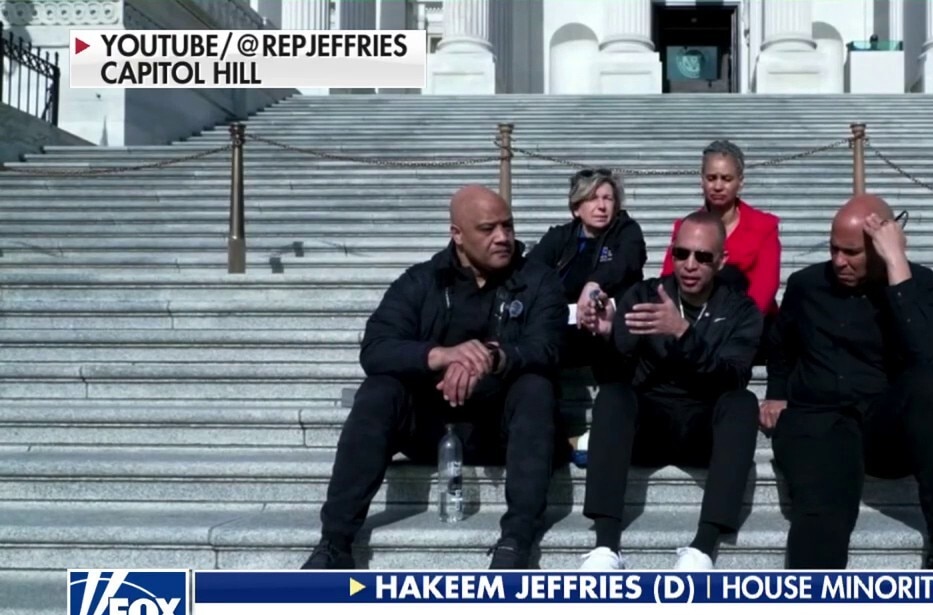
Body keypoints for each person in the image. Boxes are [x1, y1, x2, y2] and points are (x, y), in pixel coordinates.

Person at [301, 185, 567, 571]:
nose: (503, 238)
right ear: (457, 234)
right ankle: (334, 544)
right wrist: (439, 356)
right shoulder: (422, 281)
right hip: (431, 428)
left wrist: (492, 356)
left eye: (508, 226)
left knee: (536, 387)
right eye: (488, 228)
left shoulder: (539, 281)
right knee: (378, 391)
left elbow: (549, 347)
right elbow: (375, 348)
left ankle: (516, 542)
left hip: (503, 429)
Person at [760, 193, 933, 570]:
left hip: (881, 428)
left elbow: (927, 354)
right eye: (834, 249)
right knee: (822, 512)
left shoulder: (922, 285)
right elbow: (781, 346)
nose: (839, 261)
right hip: (819, 421)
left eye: (852, 253)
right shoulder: (806, 284)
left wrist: (897, 267)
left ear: (879, 247)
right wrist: (775, 393)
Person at [576, 210, 763, 570]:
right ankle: (605, 547)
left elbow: (733, 378)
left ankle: (702, 548)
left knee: (743, 402)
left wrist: (684, 334)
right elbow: (615, 372)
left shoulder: (741, 310)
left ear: (721, 261)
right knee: (614, 397)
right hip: (650, 425)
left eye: (703, 257)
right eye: (682, 254)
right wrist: (604, 338)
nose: (690, 265)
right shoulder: (645, 294)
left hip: (704, 427)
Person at [526, 169, 647, 466]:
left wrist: (594, 286)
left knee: (617, 339)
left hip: (608, 323)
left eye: (607, 198)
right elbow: (531, 273)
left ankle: (608, 428)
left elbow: (627, 263)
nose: (602, 206)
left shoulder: (626, 232)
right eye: (592, 198)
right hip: (565, 326)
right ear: (576, 207)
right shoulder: (560, 236)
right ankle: (546, 429)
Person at [661, 140, 782, 325]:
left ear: (740, 181)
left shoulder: (764, 226)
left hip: (749, 324)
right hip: (694, 323)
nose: (718, 186)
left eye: (726, 179)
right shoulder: (684, 227)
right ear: (701, 180)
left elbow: (764, 289)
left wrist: (734, 328)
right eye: (711, 178)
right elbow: (669, 279)